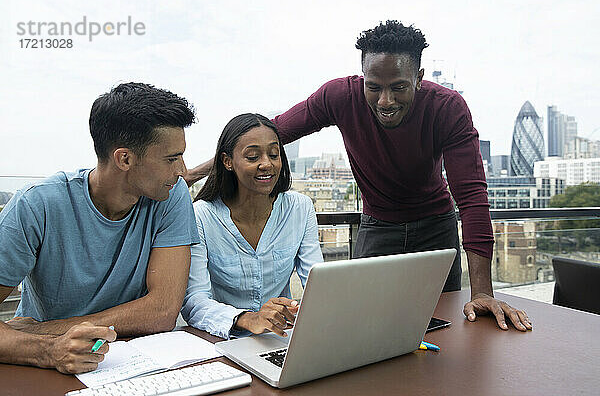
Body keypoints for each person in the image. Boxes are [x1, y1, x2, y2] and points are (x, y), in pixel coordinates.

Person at [185, 21, 532, 331]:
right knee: (366, 325)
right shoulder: (339, 96)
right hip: (377, 226)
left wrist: (484, 292)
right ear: (361, 77)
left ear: (420, 78)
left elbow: (472, 200)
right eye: (374, 86)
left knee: (444, 322)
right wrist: (196, 173)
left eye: (398, 87)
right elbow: (266, 135)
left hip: (436, 227)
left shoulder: (448, 108)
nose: (384, 100)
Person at [0, 83, 200, 374]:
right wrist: (49, 351)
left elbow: (162, 311)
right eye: (171, 159)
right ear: (125, 159)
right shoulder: (36, 204)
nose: (182, 170)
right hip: (44, 369)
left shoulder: (171, 194)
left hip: (136, 361)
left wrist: (45, 331)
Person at [181, 113, 323, 339]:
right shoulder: (202, 216)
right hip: (223, 340)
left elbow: (319, 283)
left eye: (274, 154)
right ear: (227, 162)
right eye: (252, 156)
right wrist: (247, 319)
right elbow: (194, 301)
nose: (266, 164)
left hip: (281, 338)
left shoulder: (300, 208)